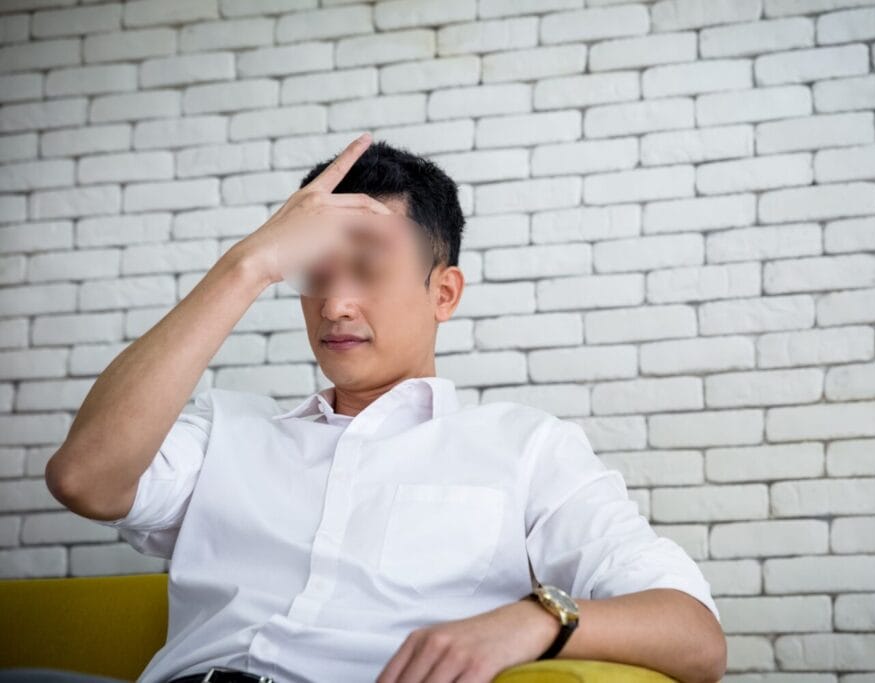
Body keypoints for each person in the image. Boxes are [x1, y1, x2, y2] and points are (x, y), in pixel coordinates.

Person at [43, 134, 726, 683]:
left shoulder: (525, 448)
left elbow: (695, 635)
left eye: (367, 270)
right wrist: (249, 264)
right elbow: (83, 478)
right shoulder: (225, 432)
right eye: (315, 274)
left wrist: (535, 618)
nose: (335, 304)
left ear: (444, 293)